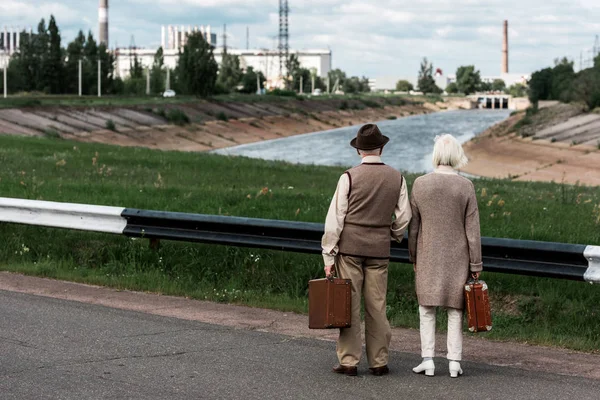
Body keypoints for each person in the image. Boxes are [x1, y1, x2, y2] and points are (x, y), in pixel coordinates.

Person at [321, 123, 411, 377]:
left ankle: (349, 361)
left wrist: (329, 253)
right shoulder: (397, 177)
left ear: (359, 150)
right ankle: (379, 361)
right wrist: (392, 234)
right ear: (381, 147)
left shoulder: (348, 177)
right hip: (380, 250)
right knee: (377, 306)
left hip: (350, 249)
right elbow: (404, 216)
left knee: (349, 305)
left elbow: (335, 219)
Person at [408, 134, 483, 378]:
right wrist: (475, 263)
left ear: (436, 154)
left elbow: (414, 228)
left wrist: (414, 258)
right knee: (455, 311)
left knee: (426, 310)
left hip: (427, 254)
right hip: (458, 258)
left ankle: (428, 360)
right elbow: (472, 230)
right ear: (456, 155)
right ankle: (454, 362)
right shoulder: (466, 186)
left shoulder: (420, 184)